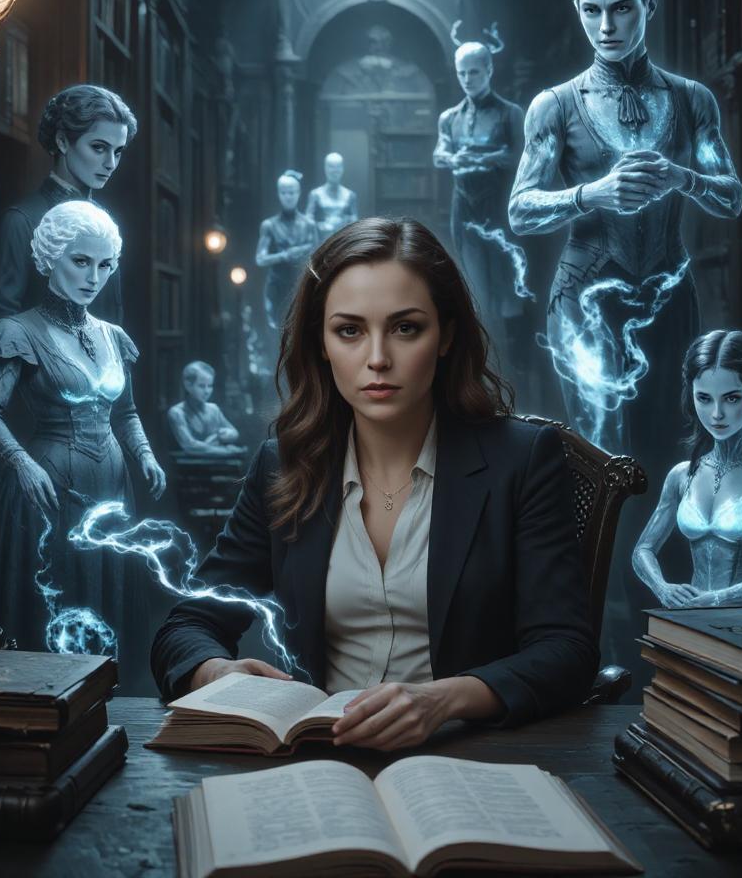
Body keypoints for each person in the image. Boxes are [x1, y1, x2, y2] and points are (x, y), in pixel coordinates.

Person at [152, 217, 598, 750]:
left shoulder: (521, 461)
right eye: (350, 330)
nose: (378, 358)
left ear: (447, 336)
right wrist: (213, 674)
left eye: (406, 328)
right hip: (320, 759)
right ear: (320, 342)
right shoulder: (284, 468)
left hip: (469, 754)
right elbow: (186, 625)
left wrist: (445, 699)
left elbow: (566, 650)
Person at [508, 0, 742, 457]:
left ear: (649, 4)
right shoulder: (555, 106)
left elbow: (731, 198)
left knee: (677, 451)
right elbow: (520, 210)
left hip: (670, 295)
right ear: (578, 9)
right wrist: (593, 193)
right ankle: (596, 550)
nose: (606, 26)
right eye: (591, 11)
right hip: (586, 296)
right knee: (605, 458)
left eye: (621, 9)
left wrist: (681, 176)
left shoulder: (691, 99)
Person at [0, 201, 165, 688]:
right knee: (51, 605)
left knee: (109, 601)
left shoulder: (113, 336)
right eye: (81, 261)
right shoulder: (16, 332)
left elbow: (127, 412)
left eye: (104, 264)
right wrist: (20, 461)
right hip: (47, 489)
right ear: (50, 256)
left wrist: (144, 453)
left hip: (114, 488)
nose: (93, 276)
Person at [632, 330, 742, 607]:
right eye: (704, 398)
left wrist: (716, 598)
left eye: (731, 398)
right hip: (693, 619)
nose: (716, 414)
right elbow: (643, 549)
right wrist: (663, 588)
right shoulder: (681, 474)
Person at [0, 84, 137, 324]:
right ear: (63, 141)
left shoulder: (105, 222)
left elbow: (112, 316)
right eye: (99, 148)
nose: (111, 163)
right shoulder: (21, 220)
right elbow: (1, 323)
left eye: (118, 152)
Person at [434, 29, 527, 382]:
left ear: (489, 70)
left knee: (507, 285)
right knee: (475, 288)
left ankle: (514, 368)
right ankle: (481, 366)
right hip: (465, 209)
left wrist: (481, 157)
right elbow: (440, 153)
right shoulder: (450, 117)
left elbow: (519, 156)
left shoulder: (509, 113)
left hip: (500, 208)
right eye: (462, 73)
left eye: (474, 72)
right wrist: (458, 157)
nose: (468, 79)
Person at [254, 170, 318, 331]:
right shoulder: (269, 225)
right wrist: (285, 255)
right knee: (277, 334)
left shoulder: (309, 225)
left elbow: (318, 258)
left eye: (292, 192)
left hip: (301, 286)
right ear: (278, 194)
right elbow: (260, 258)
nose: (288, 197)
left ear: (298, 193)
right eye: (284, 193)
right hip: (277, 287)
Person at [167, 361, 245, 457]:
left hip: (219, 464)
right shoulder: (177, 412)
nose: (207, 391)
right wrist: (226, 451)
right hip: (189, 467)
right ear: (188, 385)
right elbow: (189, 445)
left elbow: (234, 433)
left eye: (210, 386)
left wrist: (224, 434)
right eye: (202, 386)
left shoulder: (214, 409)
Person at [305, 152, 358, 243]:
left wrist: (345, 224)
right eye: (331, 166)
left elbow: (355, 221)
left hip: (343, 242)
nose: (334, 171)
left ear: (342, 169)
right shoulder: (315, 194)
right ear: (325, 168)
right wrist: (319, 226)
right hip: (321, 242)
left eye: (338, 167)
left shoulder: (350, 195)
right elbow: (308, 219)